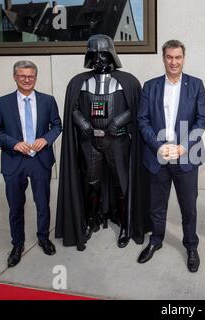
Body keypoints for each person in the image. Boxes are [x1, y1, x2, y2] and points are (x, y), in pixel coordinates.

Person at [55, 34, 151, 251]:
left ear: (112, 55)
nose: (99, 60)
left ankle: (126, 225)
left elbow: (136, 109)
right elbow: (73, 108)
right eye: (94, 55)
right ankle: (91, 220)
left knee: (122, 185)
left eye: (103, 54)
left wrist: (119, 120)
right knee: (91, 184)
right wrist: (81, 122)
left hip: (118, 142)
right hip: (90, 142)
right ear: (88, 56)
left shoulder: (127, 81)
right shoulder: (80, 82)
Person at [137, 39, 205, 272]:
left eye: (178, 57)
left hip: (186, 156)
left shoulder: (196, 85)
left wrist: (184, 146)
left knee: (189, 207)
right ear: (163, 58)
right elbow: (142, 120)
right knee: (157, 206)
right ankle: (156, 240)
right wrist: (158, 146)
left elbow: (202, 121)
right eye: (169, 57)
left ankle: (190, 246)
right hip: (158, 156)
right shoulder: (150, 86)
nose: (174, 62)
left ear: (183, 58)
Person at [0, 60, 62, 267]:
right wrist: (14, 144)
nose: (27, 80)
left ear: (36, 77)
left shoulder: (48, 101)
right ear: (15, 77)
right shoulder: (2, 103)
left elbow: (57, 125)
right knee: (15, 206)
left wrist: (46, 139)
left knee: (43, 203)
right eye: (22, 76)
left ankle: (43, 238)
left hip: (40, 160)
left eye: (30, 76)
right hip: (14, 161)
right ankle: (17, 244)